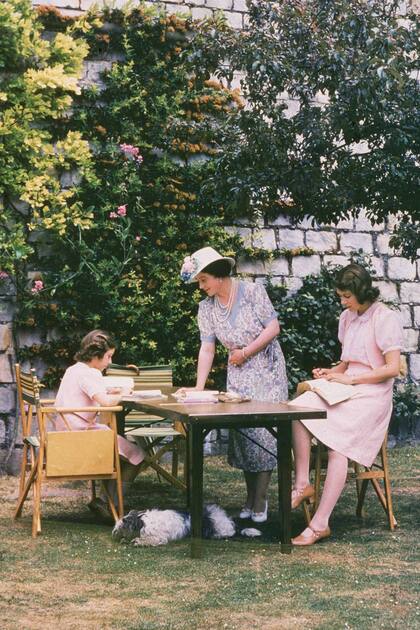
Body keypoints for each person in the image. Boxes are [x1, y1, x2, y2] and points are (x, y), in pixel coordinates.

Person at [289, 263, 403, 545]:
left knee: (337, 444)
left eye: (346, 297)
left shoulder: (385, 318)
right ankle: (303, 483)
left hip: (372, 394)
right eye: (340, 296)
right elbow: (347, 362)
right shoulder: (347, 317)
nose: (342, 302)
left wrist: (352, 381)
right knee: (298, 407)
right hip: (347, 386)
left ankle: (320, 523)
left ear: (363, 292)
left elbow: (391, 369)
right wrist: (332, 373)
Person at [178, 246, 288, 523]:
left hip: (266, 369)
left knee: (264, 435)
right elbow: (207, 348)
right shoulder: (206, 308)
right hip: (238, 374)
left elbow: (273, 328)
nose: (201, 286)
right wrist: (199, 387)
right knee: (245, 437)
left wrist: (246, 352)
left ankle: (260, 501)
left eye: (203, 280)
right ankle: (250, 499)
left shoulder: (251, 292)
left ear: (218, 275)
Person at [55, 330, 145, 518]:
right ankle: (109, 503)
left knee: (121, 448)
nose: (110, 362)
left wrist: (111, 390)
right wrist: (123, 394)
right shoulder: (90, 374)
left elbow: (90, 391)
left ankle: (106, 502)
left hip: (64, 436)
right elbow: (105, 402)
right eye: (108, 356)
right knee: (138, 455)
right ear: (96, 356)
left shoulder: (74, 370)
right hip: (84, 438)